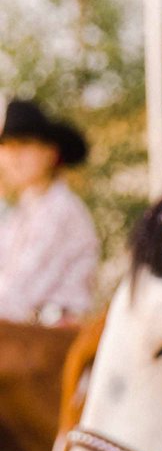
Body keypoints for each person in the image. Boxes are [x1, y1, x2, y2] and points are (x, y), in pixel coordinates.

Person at [0, 99, 98, 323]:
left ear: (50, 153)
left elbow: (17, 294)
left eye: (24, 144)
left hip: (51, 343)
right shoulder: (24, 211)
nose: (13, 157)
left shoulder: (61, 210)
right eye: (6, 146)